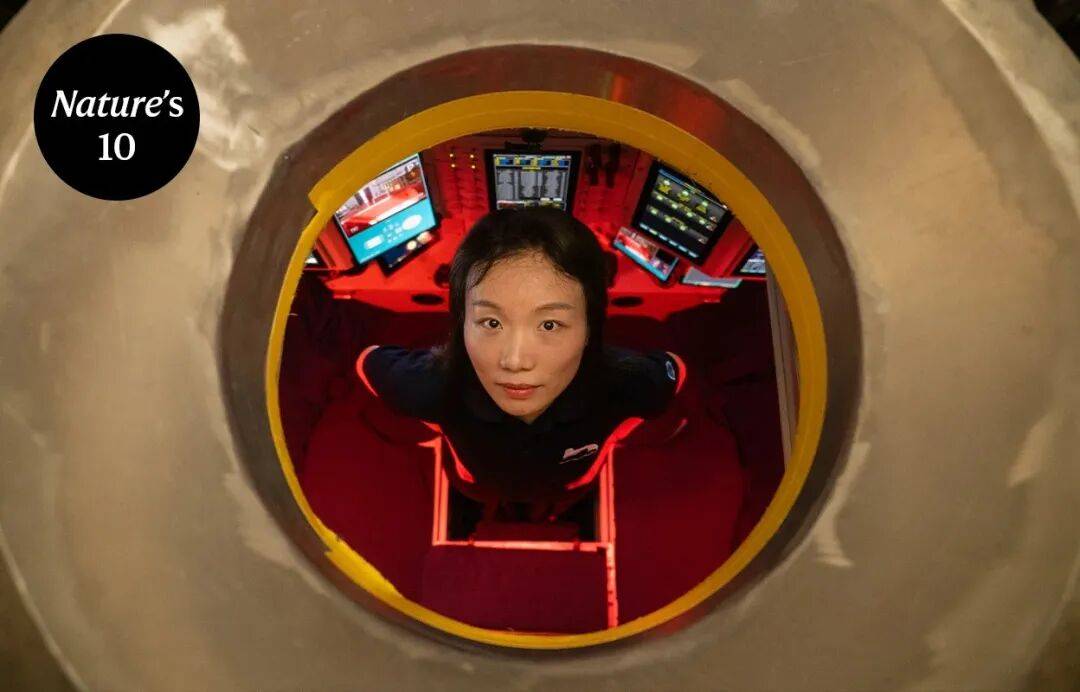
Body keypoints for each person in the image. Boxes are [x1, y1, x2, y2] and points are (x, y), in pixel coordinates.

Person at [356, 208, 686, 523]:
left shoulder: (426, 383)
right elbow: (676, 368)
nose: (515, 361)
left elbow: (368, 360)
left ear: (589, 329)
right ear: (461, 324)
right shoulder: (632, 382)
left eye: (549, 325)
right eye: (491, 323)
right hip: (552, 484)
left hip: (514, 485)